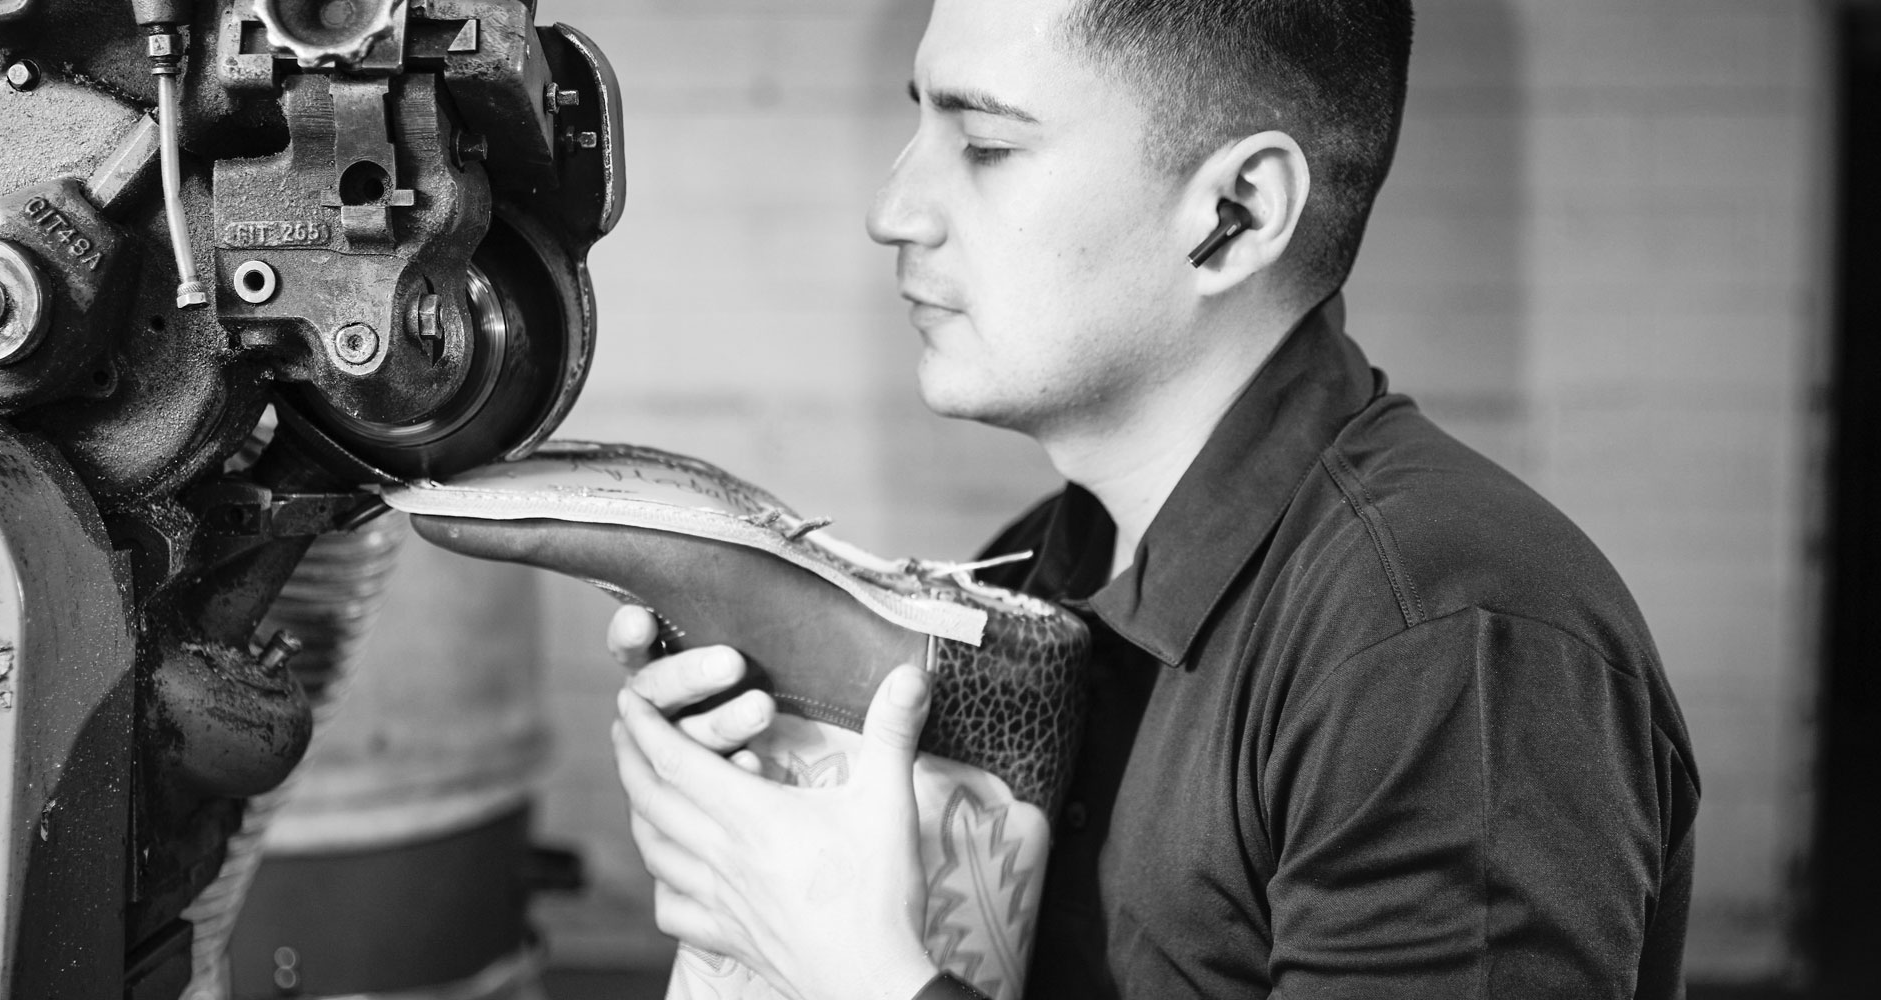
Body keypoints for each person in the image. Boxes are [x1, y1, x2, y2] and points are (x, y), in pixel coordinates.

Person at [605, 0, 1699, 997]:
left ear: (1234, 210)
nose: (894, 210)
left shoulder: (1446, 643)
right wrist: (766, 839)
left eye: (983, 144)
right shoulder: (1039, 570)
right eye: (917, 130)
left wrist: (861, 971)